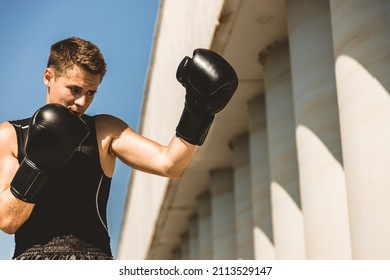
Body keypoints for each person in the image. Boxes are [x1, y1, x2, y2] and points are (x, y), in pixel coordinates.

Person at [0, 37, 238, 260]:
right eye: (75, 89)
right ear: (48, 77)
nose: (82, 102)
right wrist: (39, 162)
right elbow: (7, 221)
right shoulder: (11, 136)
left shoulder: (104, 130)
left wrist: (198, 112)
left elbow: (170, 164)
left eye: (91, 92)